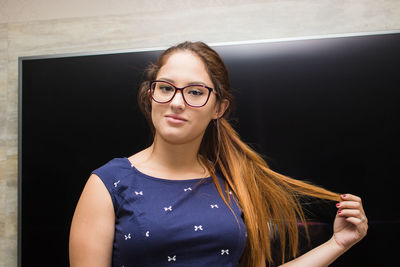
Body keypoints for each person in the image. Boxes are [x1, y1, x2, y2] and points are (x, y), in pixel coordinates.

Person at [69, 41, 368, 267]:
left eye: (196, 92)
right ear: (152, 95)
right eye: (165, 88)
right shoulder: (108, 183)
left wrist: (339, 243)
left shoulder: (231, 182)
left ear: (219, 108)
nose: (176, 102)